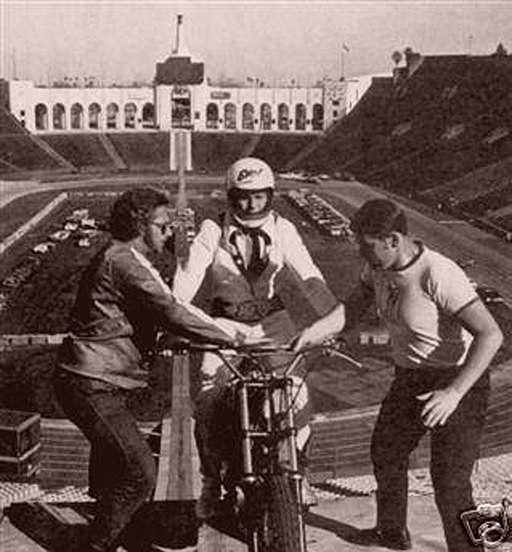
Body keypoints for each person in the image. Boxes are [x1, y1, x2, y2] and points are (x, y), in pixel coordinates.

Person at [293, 198, 503, 552]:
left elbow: (491, 334)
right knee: (386, 452)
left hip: (458, 381)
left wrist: (452, 393)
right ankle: (392, 532)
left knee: (451, 482)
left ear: (393, 240)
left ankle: (474, 549)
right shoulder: (377, 267)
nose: (362, 254)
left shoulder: (437, 272)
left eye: (367, 246)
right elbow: (352, 308)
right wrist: (315, 331)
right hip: (411, 378)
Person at [54, 188, 238, 552]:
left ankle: (118, 533)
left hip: (98, 380)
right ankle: (95, 545)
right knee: (140, 473)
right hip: (91, 382)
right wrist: (231, 339)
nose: (171, 232)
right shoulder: (123, 260)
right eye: (164, 225)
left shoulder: (125, 257)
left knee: (113, 472)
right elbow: (170, 309)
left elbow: (135, 320)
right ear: (140, 223)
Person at [172, 157, 337, 519]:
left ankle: (295, 472)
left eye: (259, 197)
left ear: (270, 196)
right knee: (207, 401)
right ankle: (212, 482)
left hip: (273, 321)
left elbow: (310, 278)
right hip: (223, 323)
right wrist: (175, 319)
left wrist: (332, 322)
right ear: (231, 195)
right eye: (243, 197)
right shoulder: (211, 230)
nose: (250, 205)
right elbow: (186, 279)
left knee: (297, 395)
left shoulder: (284, 229)